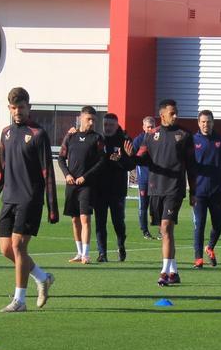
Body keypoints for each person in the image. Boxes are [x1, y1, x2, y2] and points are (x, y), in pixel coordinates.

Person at [0, 87, 59, 313]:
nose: (18, 111)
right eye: (14, 107)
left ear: (29, 107)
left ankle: (20, 300)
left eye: (22, 107)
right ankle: (42, 276)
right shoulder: (6, 133)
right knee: (6, 249)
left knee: (18, 247)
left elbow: (48, 172)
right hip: (9, 199)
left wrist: (52, 206)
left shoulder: (38, 134)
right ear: (9, 108)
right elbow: (1, 169)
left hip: (30, 199)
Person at [130, 99, 197, 286]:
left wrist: (194, 192)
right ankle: (174, 272)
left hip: (174, 189)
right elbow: (140, 159)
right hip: (155, 189)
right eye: (172, 113)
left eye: (176, 112)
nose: (176, 116)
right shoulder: (151, 136)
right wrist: (125, 159)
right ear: (162, 115)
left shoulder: (184, 135)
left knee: (166, 228)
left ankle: (165, 272)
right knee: (164, 231)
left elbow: (192, 166)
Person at [57, 106, 106, 264]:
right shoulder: (70, 136)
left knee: (85, 218)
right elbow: (60, 158)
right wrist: (67, 175)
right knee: (75, 220)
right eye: (88, 119)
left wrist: (85, 177)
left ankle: (86, 254)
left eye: (93, 120)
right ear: (81, 118)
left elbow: (101, 161)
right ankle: (79, 253)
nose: (91, 122)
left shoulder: (97, 138)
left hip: (87, 185)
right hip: (71, 185)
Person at [192, 110, 221, 268]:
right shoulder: (193, 141)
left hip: (217, 191)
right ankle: (198, 258)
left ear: (213, 123)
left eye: (208, 122)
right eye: (203, 122)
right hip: (199, 192)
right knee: (199, 224)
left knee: (218, 225)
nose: (205, 124)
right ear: (198, 123)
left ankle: (210, 247)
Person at [96, 112, 134, 262]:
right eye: (105, 124)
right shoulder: (98, 139)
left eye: (111, 124)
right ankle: (102, 253)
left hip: (117, 189)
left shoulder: (124, 140)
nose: (108, 127)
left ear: (117, 124)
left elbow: (131, 165)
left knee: (118, 222)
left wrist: (121, 160)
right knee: (100, 222)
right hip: (99, 188)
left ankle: (121, 245)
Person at [131, 116, 156, 240]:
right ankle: (144, 230)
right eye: (148, 127)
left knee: (157, 205)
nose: (150, 129)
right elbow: (132, 157)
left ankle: (161, 230)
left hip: (157, 179)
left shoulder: (159, 139)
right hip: (143, 179)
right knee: (143, 206)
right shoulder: (138, 140)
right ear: (143, 127)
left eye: (152, 127)